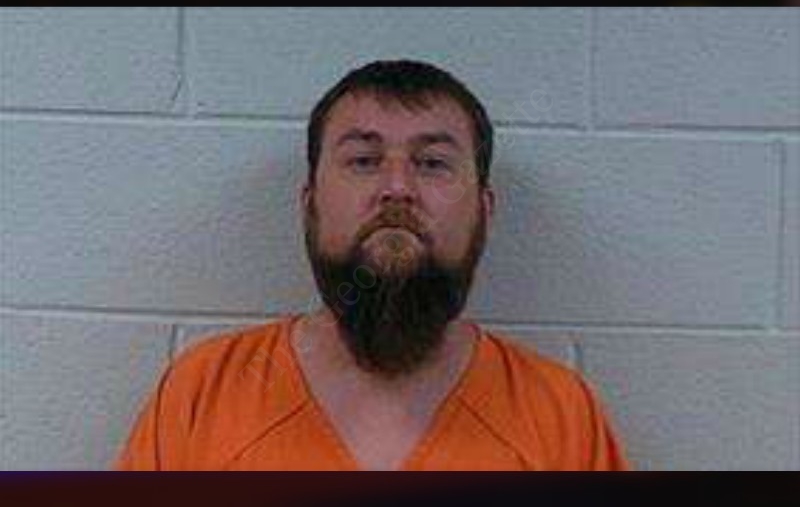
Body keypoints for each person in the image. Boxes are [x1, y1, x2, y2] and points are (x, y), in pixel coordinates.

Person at [114, 60, 629, 470]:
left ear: (484, 210)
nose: (397, 188)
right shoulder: (203, 394)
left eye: (432, 163)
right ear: (310, 204)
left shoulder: (559, 414)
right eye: (364, 161)